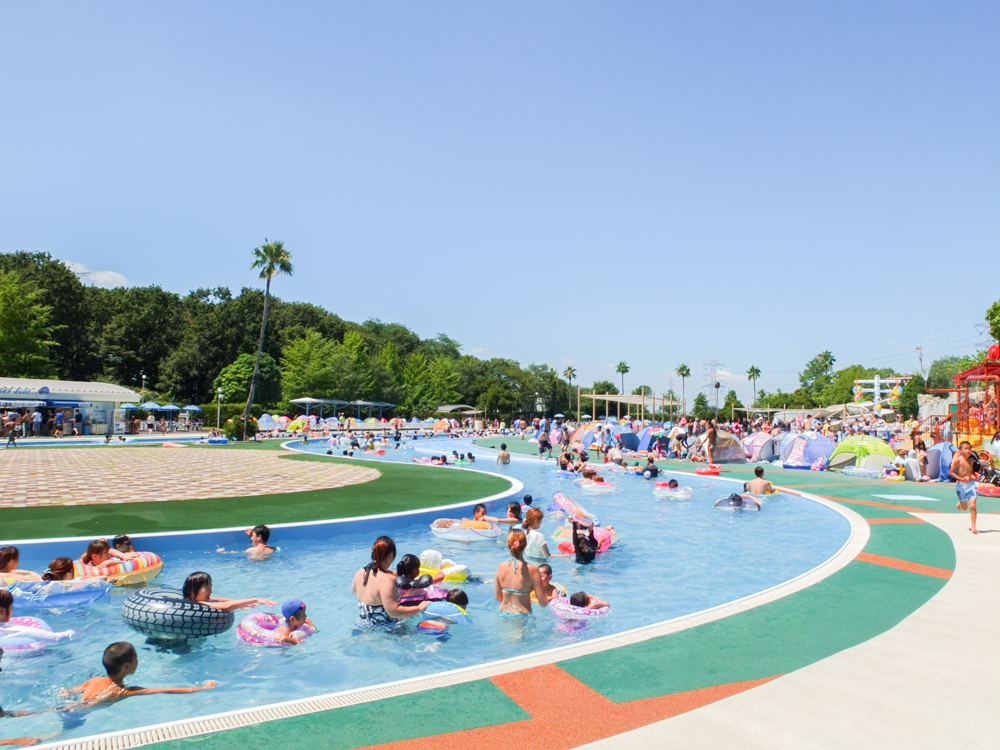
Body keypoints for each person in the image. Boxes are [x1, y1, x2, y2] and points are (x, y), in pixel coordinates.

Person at [61, 642, 216, 706]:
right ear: (127, 666)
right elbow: (164, 690)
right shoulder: (122, 691)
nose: (138, 660)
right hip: (79, 712)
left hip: (74, 707)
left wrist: (66, 692)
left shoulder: (94, 680)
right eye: (136, 657)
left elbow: (69, 692)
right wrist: (201, 689)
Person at [493, 529, 549, 615]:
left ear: (508, 545)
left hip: (503, 613)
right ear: (525, 545)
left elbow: (498, 597)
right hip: (522, 615)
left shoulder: (501, 566)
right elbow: (543, 602)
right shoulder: (533, 570)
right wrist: (555, 599)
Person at [0, 590, 75, 643]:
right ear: (1, 612)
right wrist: (71, 632)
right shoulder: (19, 630)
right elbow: (56, 638)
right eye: (10, 607)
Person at [182, 572, 276, 611]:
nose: (211, 591)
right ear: (192, 591)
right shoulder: (198, 604)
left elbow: (217, 599)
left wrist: (237, 603)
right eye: (207, 588)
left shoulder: (194, 599)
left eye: (211, 587)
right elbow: (225, 606)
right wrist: (255, 599)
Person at [950, 441, 981, 534]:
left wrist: (975, 475)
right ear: (960, 450)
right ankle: (961, 502)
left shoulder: (972, 460)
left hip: (971, 484)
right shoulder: (957, 460)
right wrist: (961, 478)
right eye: (965, 449)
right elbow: (951, 473)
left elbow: (972, 471)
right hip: (961, 486)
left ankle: (973, 527)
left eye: (969, 449)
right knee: (964, 508)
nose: (968, 451)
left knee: (973, 506)